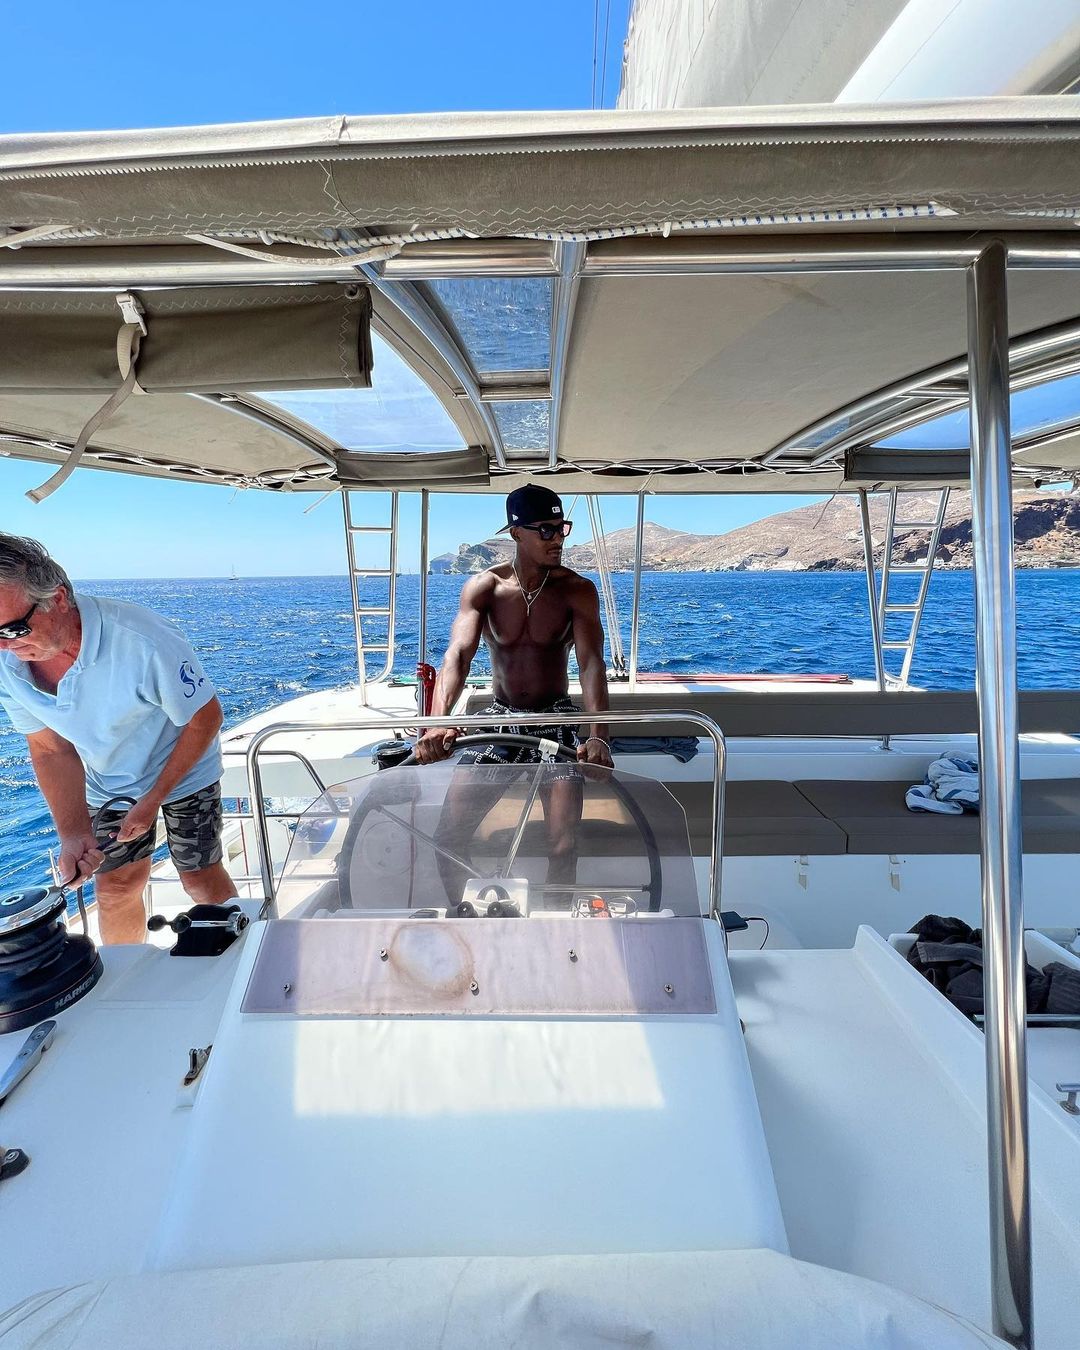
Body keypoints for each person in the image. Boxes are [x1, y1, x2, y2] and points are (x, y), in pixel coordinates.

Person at [0, 534, 238, 944]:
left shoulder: (144, 639)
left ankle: (245, 952)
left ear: (57, 599)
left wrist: (153, 799)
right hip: (110, 782)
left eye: (14, 629)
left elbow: (205, 718)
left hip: (185, 771)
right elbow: (50, 748)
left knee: (199, 878)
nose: (5, 646)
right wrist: (74, 834)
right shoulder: (8, 663)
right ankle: (128, 972)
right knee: (113, 890)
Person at [414, 486, 612, 905]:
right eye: (546, 530)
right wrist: (437, 723)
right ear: (516, 532)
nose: (557, 539)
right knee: (448, 836)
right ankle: (471, 916)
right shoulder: (484, 587)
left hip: (554, 719)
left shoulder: (577, 589)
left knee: (563, 844)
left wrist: (599, 736)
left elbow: (592, 664)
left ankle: (555, 926)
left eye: (561, 528)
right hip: (501, 719)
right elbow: (458, 656)